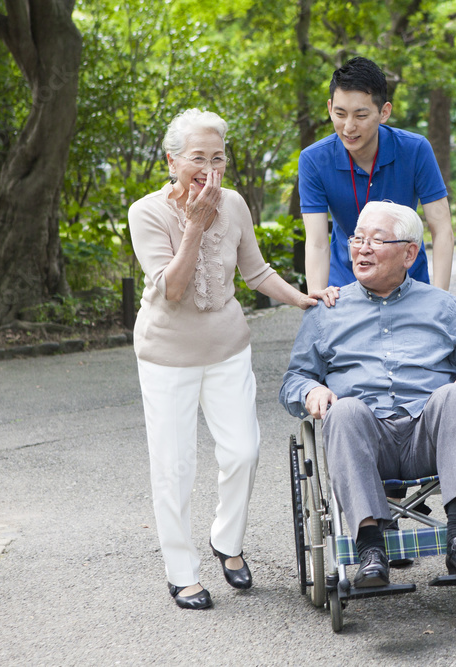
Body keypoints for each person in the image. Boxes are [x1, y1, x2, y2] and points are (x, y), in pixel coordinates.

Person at [130, 108, 339, 610]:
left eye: (217, 157)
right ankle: (181, 573)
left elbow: (257, 272)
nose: (208, 167)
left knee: (243, 450)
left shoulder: (236, 204)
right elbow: (174, 290)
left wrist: (304, 298)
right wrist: (195, 225)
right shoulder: (147, 213)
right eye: (196, 157)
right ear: (171, 160)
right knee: (174, 467)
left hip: (227, 348)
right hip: (167, 356)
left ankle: (226, 541)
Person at [279, 201, 456, 588]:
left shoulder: (442, 306)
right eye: (357, 239)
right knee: (343, 410)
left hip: (428, 434)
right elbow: (293, 381)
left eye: (376, 241)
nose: (362, 248)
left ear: (409, 253)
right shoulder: (326, 311)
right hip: (364, 438)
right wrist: (311, 389)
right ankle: (370, 552)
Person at [298, 56, 454, 294]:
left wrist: (441, 297)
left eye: (360, 116)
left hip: (409, 282)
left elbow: (441, 229)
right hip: (345, 284)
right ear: (330, 108)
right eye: (340, 114)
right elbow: (317, 242)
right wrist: (316, 299)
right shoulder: (313, 160)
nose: (349, 127)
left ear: (384, 112)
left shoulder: (415, 149)